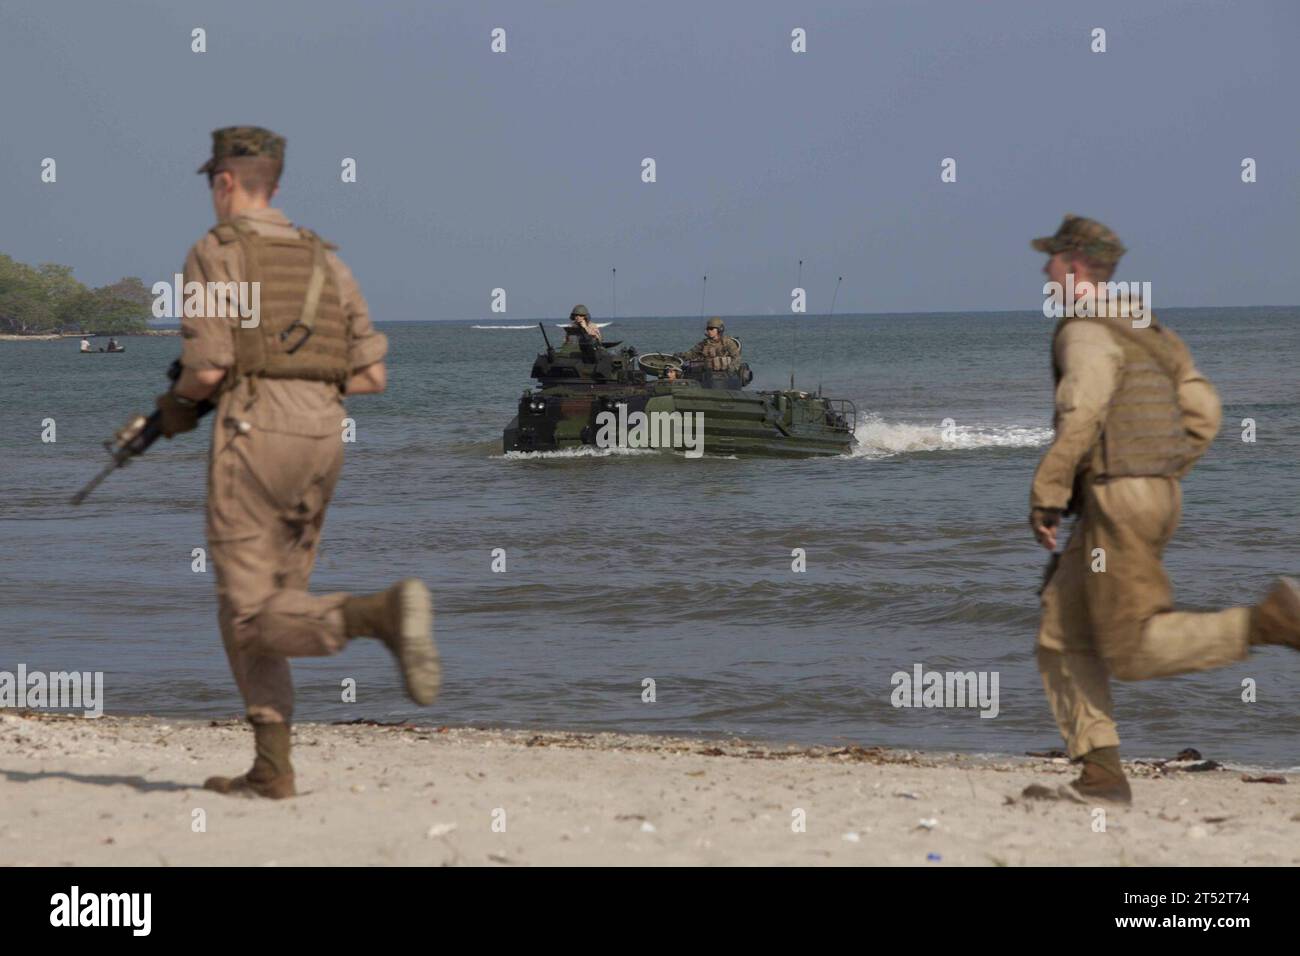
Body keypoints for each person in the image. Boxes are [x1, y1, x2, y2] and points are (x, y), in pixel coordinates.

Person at [150, 126, 441, 799]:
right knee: (276, 602)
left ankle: (380, 615)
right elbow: (372, 377)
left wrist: (176, 407)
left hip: (255, 434)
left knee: (248, 616)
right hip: (325, 435)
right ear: (274, 184)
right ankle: (272, 768)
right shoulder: (324, 260)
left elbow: (210, 365)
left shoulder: (213, 252)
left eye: (212, 185)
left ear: (225, 183)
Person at [1029, 214, 1299, 805]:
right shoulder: (1148, 328)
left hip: (1117, 497)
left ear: (1074, 266)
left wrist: (1048, 494)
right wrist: (1163, 472)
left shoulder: (1085, 331)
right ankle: (1100, 774)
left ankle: (1269, 622)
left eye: (1052, 260)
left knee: (1129, 648)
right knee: (1060, 630)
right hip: (1153, 493)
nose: (1044, 269)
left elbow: (1084, 411)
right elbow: (1204, 409)